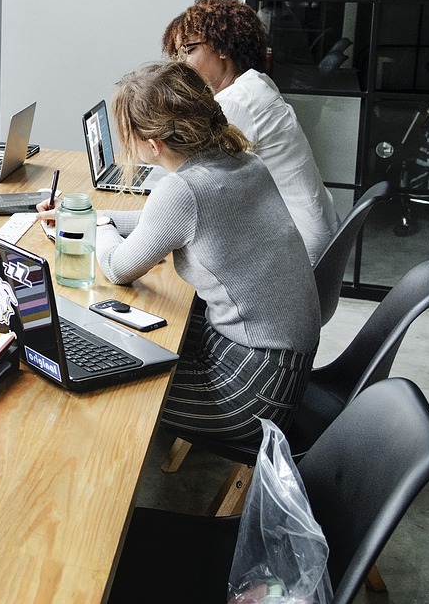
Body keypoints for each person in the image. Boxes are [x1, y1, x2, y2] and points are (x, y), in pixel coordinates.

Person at [43, 62, 320, 445]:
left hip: (254, 392)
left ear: (153, 144)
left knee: (91, 382)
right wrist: (93, 216)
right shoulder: (244, 163)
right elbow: (161, 223)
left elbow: (117, 267)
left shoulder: (182, 192)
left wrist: (98, 226)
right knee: (119, 337)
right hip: (286, 366)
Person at [163, 0, 338, 264]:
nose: (182, 64)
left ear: (222, 47)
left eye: (189, 50)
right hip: (312, 234)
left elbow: (193, 183)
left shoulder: (238, 101)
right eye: (178, 54)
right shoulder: (256, 83)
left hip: (299, 251)